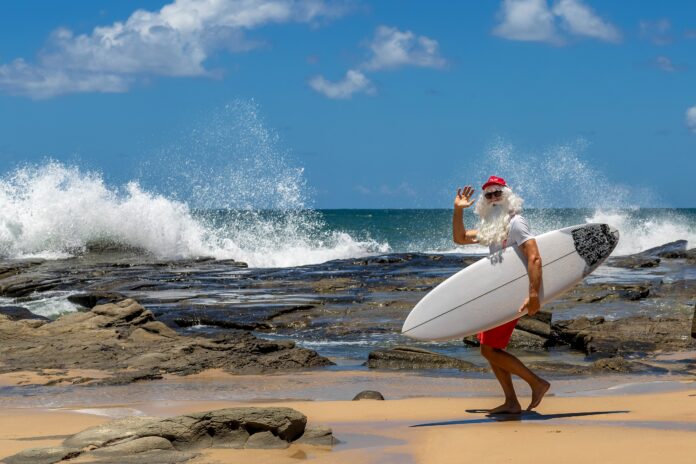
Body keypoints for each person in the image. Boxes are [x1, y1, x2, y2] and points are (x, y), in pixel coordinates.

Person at [452, 175, 550, 414]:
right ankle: (511, 402)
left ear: (507, 196)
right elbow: (460, 238)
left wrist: (533, 294)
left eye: (498, 193)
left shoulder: (517, 223)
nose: (494, 198)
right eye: (489, 195)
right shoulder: (494, 227)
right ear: (484, 201)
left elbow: (534, 257)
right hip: (497, 293)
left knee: (489, 350)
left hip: (513, 294)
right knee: (490, 349)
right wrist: (457, 211)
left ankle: (537, 383)